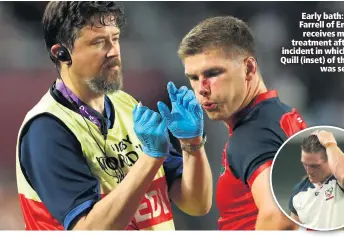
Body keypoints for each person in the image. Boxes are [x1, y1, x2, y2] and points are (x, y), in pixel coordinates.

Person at [16, 2, 212, 230]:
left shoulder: (126, 105)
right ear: (61, 53)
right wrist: (150, 159)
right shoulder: (46, 129)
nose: (114, 51)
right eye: (98, 42)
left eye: (115, 38)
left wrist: (192, 144)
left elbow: (196, 204)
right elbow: (87, 230)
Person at [177, 16, 307, 230]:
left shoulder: (251, 135)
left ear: (248, 68)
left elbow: (278, 216)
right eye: (193, 77)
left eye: (213, 73)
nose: (202, 88)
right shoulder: (280, 115)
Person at [289, 130, 344, 230]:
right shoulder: (298, 191)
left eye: (315, 166)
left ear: (329, 159)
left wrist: (330, 144)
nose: (309, 172)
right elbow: (293, 229)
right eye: (305, 164)